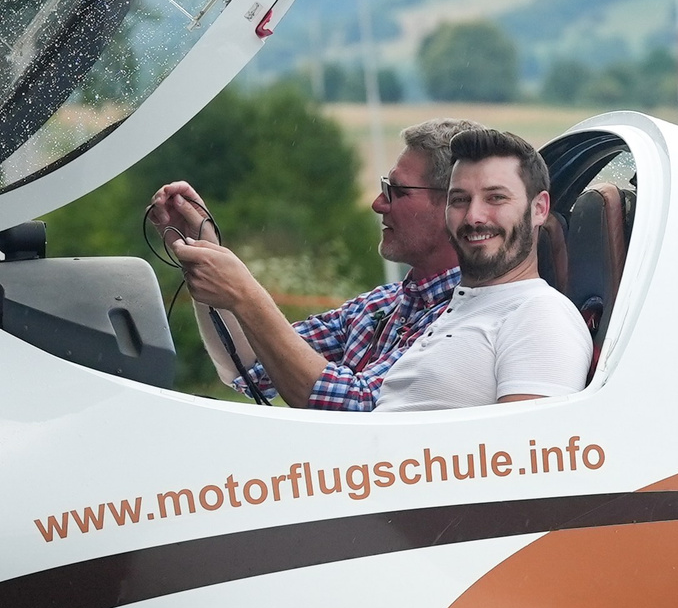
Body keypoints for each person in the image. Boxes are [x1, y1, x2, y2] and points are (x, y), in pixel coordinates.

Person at [149, 118, 476, 410]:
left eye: (398, 191)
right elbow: (250, 367)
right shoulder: (380, 305)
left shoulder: (471, 317)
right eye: (383, 188)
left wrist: (245, 295)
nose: (378, 204)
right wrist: (204, 250)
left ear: (454, 206)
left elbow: (358, 405)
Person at [373, 125, 593, 411]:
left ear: (539, 208)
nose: (474, 216)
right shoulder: (460, 309)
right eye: (460, 200)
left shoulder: (539, 315)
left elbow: (530, 449)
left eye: (495, 198)